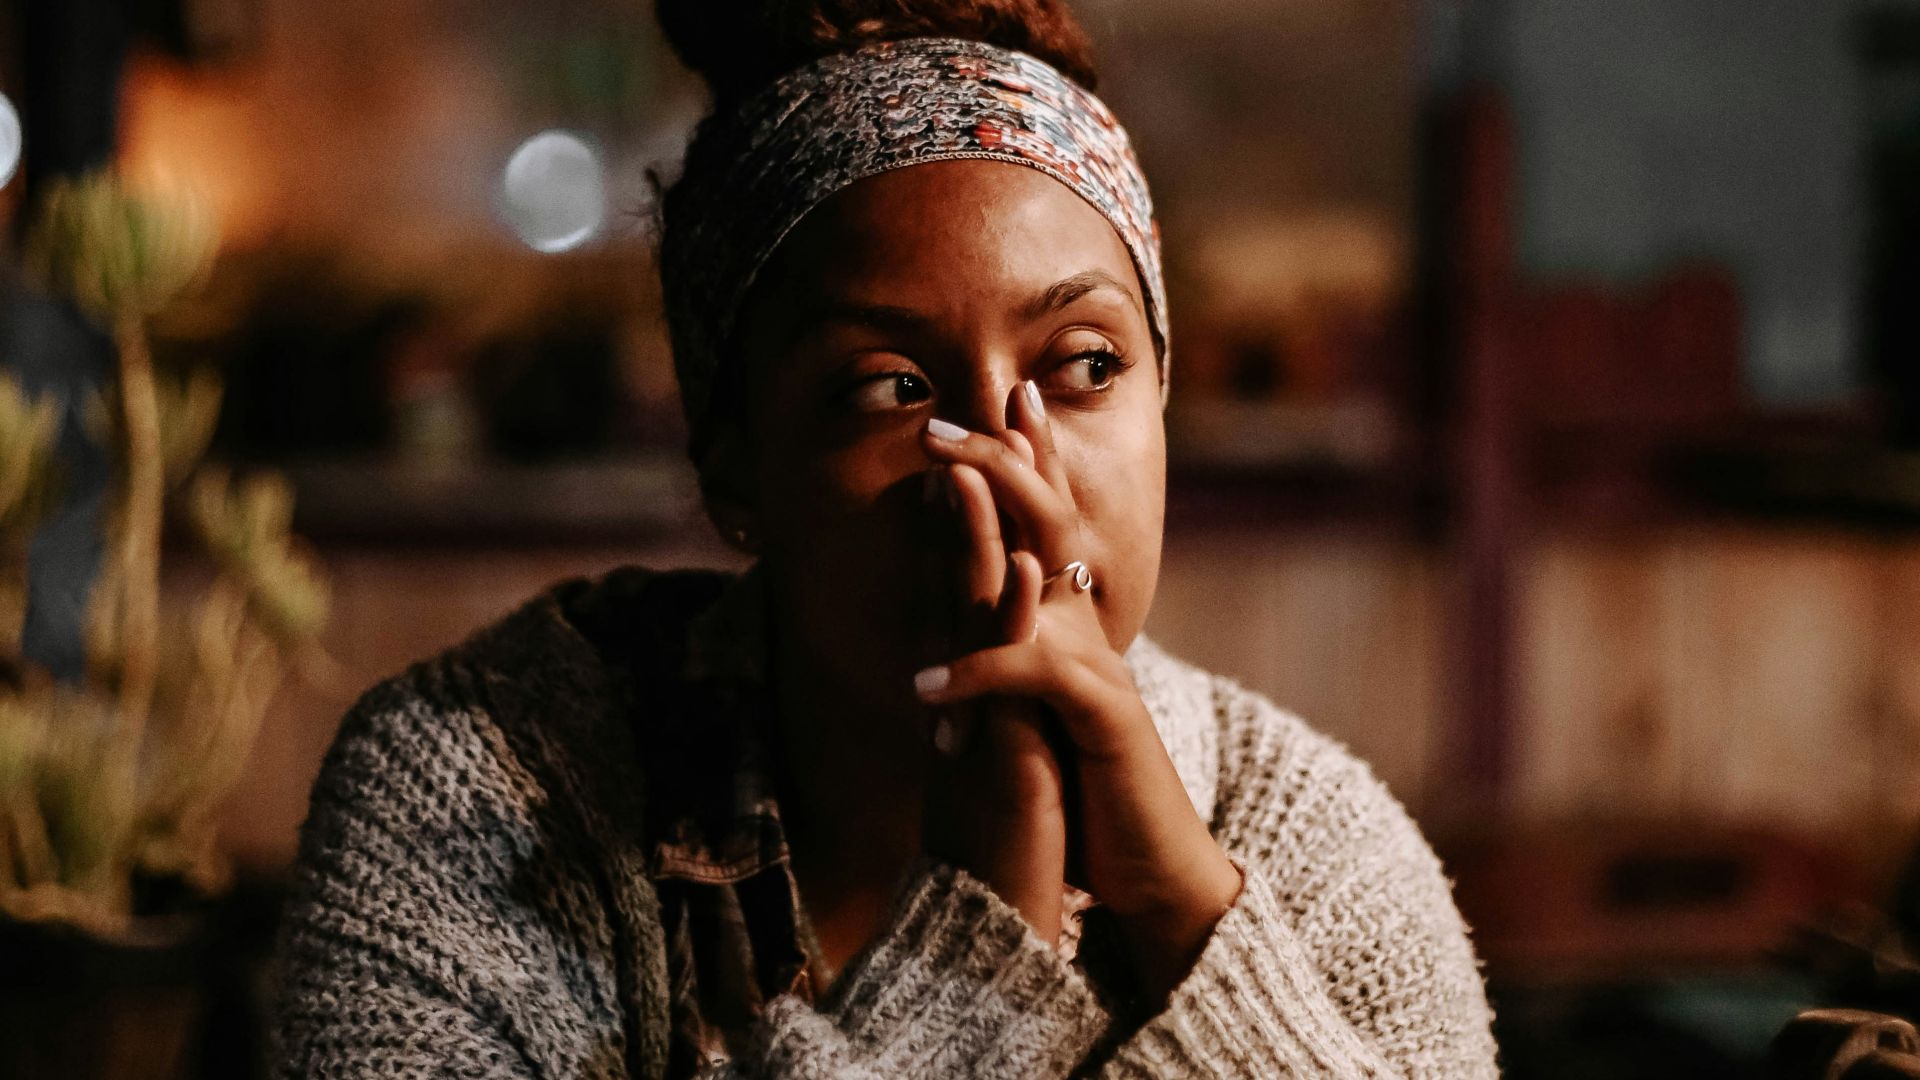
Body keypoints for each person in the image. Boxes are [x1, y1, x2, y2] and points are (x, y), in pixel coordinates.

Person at [272, 1, 1501, 1076]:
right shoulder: (473, 799)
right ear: (735, 457)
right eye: (893, 390)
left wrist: (1186, 910)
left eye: (1084, 366)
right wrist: (981, 945)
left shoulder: (1299, 837)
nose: (1012, 472)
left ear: (1162, 397)